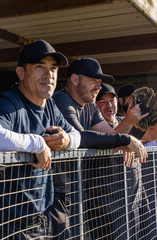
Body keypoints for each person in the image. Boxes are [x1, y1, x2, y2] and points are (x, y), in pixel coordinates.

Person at [52, 57, 148, 239]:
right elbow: (81, 137)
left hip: (76, 190)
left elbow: (110, 137)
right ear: (74, 79)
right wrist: (125, 139)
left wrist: (123, 139)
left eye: (99, 82)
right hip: (55, 194)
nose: (98, 86)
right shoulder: (61, 100)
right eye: (93, 81)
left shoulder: (90, 106)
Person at [0, 40, 80, 239]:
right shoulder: (9, 102)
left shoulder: (50, 105)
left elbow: (78, 135)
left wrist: (67, 139)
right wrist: (36, 143)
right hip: (11, 225)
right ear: (21, 73)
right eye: (39, 66)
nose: (48, 74)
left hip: (42, 217)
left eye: (53, 68)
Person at [96, 83, 155, 239]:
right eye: (103, 102)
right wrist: (126, 133)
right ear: (95, 106)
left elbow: (150, 135)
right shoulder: (95, 127)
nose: (109, 106)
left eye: (112, 100)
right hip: (108, 206)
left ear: (118, 102)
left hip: (132, 201)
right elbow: (110, 139)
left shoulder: (123, 120)